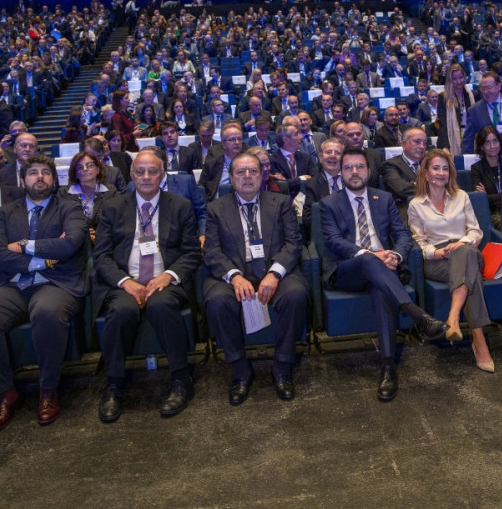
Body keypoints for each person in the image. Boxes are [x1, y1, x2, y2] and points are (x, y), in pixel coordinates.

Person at [0, 154, 89, 432]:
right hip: (13, 283)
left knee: (47, 312)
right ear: (23, 180)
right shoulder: (5, 213)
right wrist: (42, 257)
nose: (40, 178)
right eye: (33, 173)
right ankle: (3, 393)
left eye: (45, 172)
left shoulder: (70, 207)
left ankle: (48, 390)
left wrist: (21, 245)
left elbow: (70, 244)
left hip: (56, 282)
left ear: (54, 178)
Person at [319, 148, 449, 401]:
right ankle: (418, 315)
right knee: (368, 260)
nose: (354, 172)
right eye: (348, 168)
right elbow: (334, 241)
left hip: (385, 268)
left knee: (381, 290)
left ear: (368, 171)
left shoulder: (384, 198)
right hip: (348, 270)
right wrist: (371, 255)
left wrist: (396, 256)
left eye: (359, 167)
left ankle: (388, 366)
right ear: (340, 171)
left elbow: (402, 235)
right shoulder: (328, 204)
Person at [92, 149, 201, 422]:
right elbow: (101, 256)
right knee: (121, 312)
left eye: (153, 171)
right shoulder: (112, 207)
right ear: (131, 174)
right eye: (140, 171)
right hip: (124, 282)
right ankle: (114, 383)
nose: (146, 176)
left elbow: (191, 253)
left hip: (165, 281)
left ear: (162, 175)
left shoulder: (180, 206)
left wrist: (168, 276)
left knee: (162, 306)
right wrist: (124, 281)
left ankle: (180, 378)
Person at [203, 153, 310, 405]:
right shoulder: (216, 209)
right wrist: (234, 276)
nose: (247, 177)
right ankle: (240, 370)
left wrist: (274, 273)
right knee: (217, 300)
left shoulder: (281, 202)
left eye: (253, 171)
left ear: (263, 174)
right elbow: (211, 251)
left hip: (275, 270)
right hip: (234, 272)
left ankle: (282, 367)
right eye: (240, 172)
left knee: (295, 293)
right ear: (231, 178)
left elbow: (294, 243)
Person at [408, 149, 495, 372]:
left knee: (466, 253)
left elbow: (476, 231)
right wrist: (436, 253)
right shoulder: (416, 205)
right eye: (436, 168)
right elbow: (418, 241)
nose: (441, 173)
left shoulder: (462, 196)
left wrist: (463, 242)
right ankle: (479, 341)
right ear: (426, 173)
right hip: (437, 260)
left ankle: (453, 319)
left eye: (445, 168)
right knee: (471, 274)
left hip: (465, 248)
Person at [57, 151, 117, 241]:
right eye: (79, 167)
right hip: (74, 242)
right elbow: (61, 222)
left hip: (105, 241)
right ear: (75, 173)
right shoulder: (64, 193)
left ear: (98, 169)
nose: (85, 169)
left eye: (90, 165)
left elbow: (115, 221)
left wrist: (97, 236)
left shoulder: (111, 192)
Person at [462, 71, 502, 153]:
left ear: (499, 86)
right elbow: (468, 140)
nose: (485, 91)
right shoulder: (474, 111)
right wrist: (467, 160)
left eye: (489, 87)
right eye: (483, 88)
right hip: (488, 156)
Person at [470, 126, 502, 229]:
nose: (492, 146)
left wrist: (490, 197)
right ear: (482, 146)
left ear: (500, 143)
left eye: (495, 141)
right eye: (487, 142)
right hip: (491, 213)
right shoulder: (476, 169)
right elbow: (480, 199)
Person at [301, 137, 345, 241]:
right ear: (320, 157)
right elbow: (309, 219)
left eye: (337, 153)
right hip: (326, 238)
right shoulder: (312, 184)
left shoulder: (352, 180)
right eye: (328, 152)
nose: (333, 156)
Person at [380, 127, 427, 222]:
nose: (422, 146)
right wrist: (433, 188)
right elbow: (401, 190)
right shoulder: (391, 164)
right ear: (404, 144)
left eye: (425, 143)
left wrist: (414, 185)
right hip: (408, 211)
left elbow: (446, 183)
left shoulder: (430, 162)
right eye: (417, 142)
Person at [269, 124, 316, 196]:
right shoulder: (272, 160)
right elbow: (279, 186)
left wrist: (287, 182)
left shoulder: (306, 158)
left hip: (306, 200)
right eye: (296, 134)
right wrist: (302, 178)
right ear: (286, 139)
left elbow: (315, 179)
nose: (301, 137)